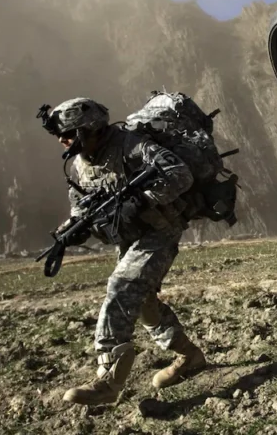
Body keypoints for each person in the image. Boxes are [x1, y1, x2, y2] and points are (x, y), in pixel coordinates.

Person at [41, 97, 206, 406]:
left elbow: (181, 175)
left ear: (89, 128)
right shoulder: (80, 164)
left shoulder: (132, 145)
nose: (63, 140)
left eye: (69, 132)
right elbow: (81, 205)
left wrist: (143, 199)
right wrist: (74, 227)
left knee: (121, 287)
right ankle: (190, 356)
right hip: (128, 238)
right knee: (144, 304)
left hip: (159, 232)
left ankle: (108, 380)